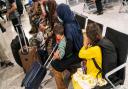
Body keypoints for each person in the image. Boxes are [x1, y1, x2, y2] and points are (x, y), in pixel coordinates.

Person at [72, 22, 107, 89]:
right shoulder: (96, 44)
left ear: (89, 38)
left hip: (94, 76)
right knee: (75, 76)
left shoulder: (94, 49)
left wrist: (85, 44)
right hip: (90, 71)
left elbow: (80, 54)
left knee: (76, 81)